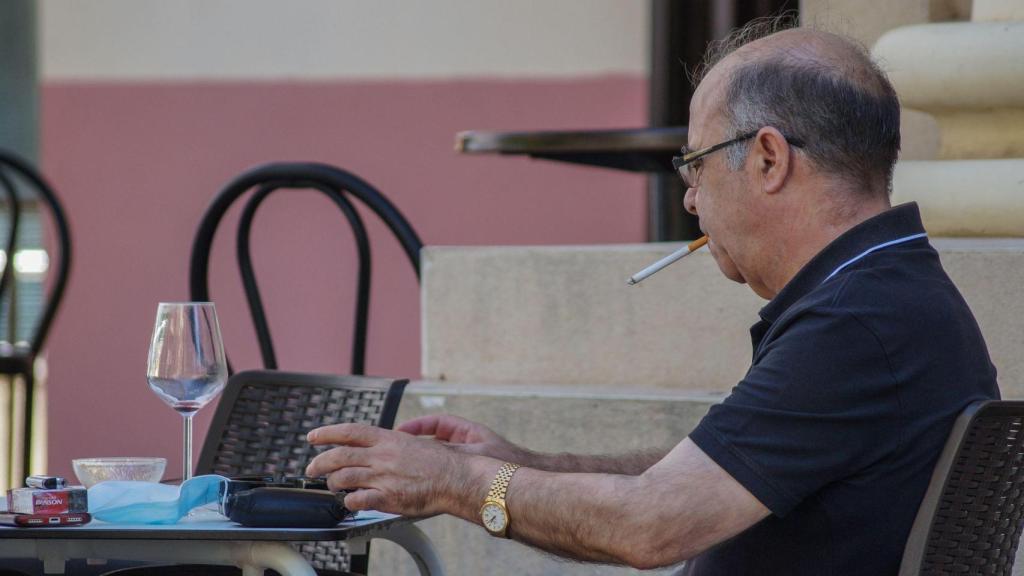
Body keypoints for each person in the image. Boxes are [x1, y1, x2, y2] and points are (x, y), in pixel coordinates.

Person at [305, 21, 1000, 575]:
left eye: (695, 165)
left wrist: (457, 483)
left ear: (768, 158)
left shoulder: (859, 321)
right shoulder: (884, 290)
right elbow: (704, 477)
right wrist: (518, 463)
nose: (692, 198)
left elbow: (651, 525)